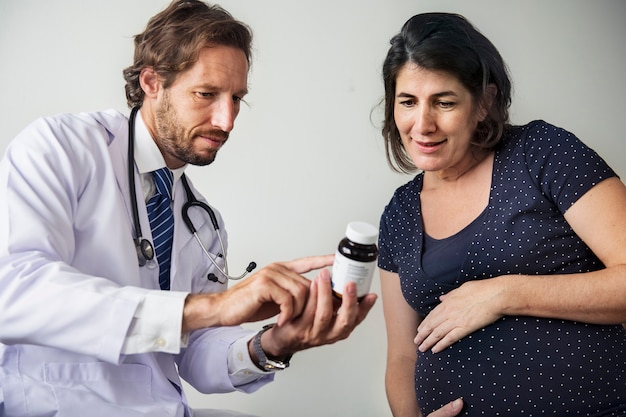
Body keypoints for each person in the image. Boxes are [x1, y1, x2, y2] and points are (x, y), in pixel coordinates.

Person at [0, 2, 383, 416]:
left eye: (237, 98)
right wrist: (214, 307)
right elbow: (14, 291)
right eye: (207, 94)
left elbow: (198, 353)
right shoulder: (62, 149)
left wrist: (273, 343)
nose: (227, 120)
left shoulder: (202, 220)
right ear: (151, 81)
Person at [378, 12, 626, 417]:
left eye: (444, 102)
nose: (422, 124)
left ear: (484, 102)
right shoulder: (400, 213)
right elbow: (403, 357)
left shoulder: (541, 153)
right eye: (407, 102)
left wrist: (505, 293)